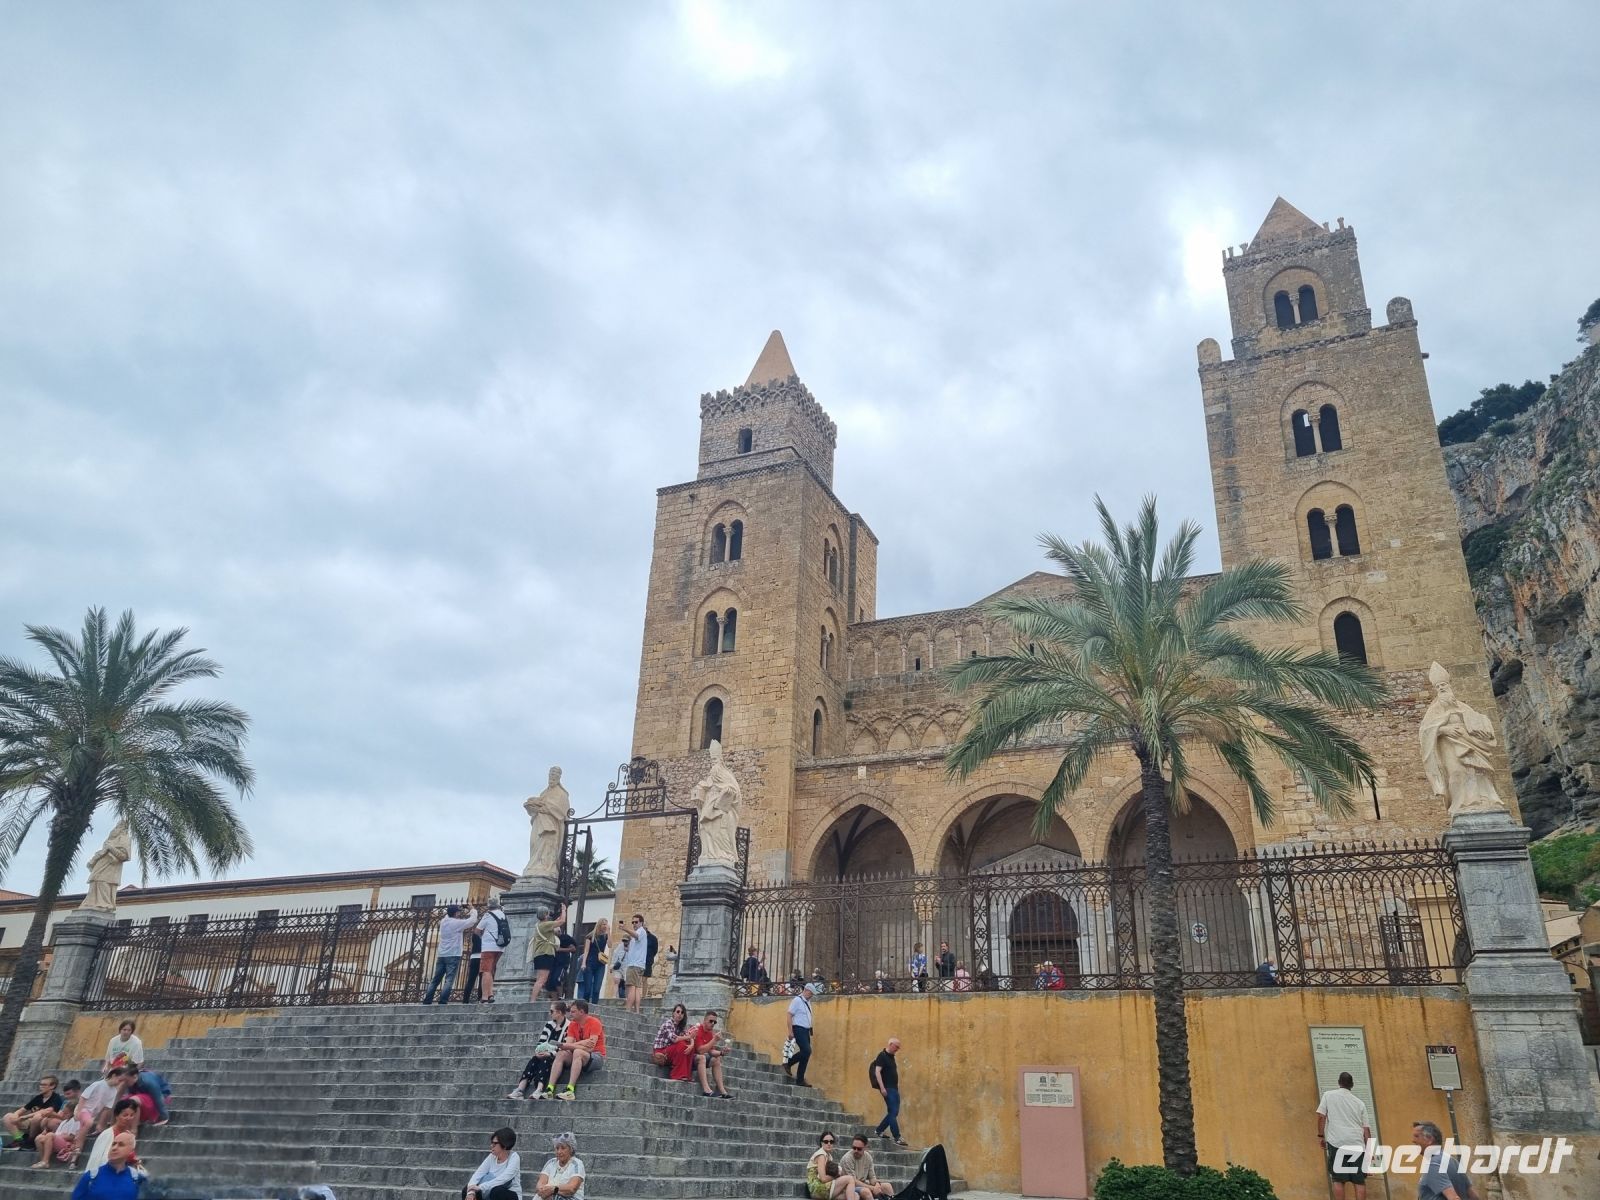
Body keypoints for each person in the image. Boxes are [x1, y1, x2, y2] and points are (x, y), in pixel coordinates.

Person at [1317, 1071, 1372, 1200]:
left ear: (1339, 1083)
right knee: (1359, 1180)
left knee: (1338, 1179)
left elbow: (1321, 1116)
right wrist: (1369, 1151)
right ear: (1352, 1085)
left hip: (1337, 1143)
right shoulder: (1360, 1103)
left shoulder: (1328, 1096)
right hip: (1357, 1144)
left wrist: (1320, 1136)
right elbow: (1366, 1130)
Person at [507, 1000, 570, 1100]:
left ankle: (539, 1089)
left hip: (557, 1055)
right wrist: (538, 1052)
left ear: (559, 1012)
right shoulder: (549, 1025)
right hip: (544, 1051)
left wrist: (550, 1054)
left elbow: (564, 1046)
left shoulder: (568, 1026)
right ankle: (520, 1089)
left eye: (551, 1011)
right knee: (534, 1059)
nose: (549, 1013)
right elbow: (541, 1041)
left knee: (546, 1060)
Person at [545, 997, 606, 1100]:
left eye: (573, 1012)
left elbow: (590, 1047)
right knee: (561, 1053)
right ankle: (549, 1089)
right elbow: (568, 1045)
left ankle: (570, 1090)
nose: (570, 1014)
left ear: (581, 1012)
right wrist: (582, 1043)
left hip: (597, 1056)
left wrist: (572, 1045)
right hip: (580, 1054)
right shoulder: (573, 1024)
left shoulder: (595, 1022)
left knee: (578, 1052)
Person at [422, 903, 478, 1005]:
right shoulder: (456, 923)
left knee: (435, 979)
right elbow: (472, 921)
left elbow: (448, 915)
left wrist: (456, 908)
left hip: (442, 955)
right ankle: (443, 1001)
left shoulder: (443, 922)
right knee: (449, 979)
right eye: (459, 912)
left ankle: (427, 1000)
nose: (460, 914)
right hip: (453, 954)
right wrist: (472, 910)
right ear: (455, 913)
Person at [1411, 1121, 1480, 1200]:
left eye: (1417, 1136)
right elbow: (1474, 1196)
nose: (1413, 1140)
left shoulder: (1433, 1165)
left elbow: (1453, 1198)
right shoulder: (1452, 1161)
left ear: (1429, 1139)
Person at [70, 1131, 146, 1200]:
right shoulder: (91, 1177)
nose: (114, 1148)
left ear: (131, 1152)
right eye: (113, 1144)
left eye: (121, 1145)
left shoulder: (137, 1179)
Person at [3, 1073, 63, 1145]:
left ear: (52, 1086)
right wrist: (15, 1115)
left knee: (37, 1117)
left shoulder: (56, 1098)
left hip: (44, 1124)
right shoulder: (38, 1098)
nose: (41, 1087)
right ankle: (19, 1139)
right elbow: (22, 1110)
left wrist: (24, 1117)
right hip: (30, 1122)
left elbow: (46, 1111)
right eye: (40, 1085)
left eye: (44, 1085)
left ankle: (30, 1141)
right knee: (8, 1117)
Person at [463, 1125, 521, 1200]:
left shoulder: (514, 1157)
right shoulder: (491, 1157)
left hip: (509, 1195)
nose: (491, 1146)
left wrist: (480, 1187)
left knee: (497, 1191)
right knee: (466, 1190)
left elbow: (504, 1179)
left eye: (495, 1143)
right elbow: (478, 1174)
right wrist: (471, 1192)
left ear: (505, 1145)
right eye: (491, 1143)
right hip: (488, 1193)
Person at [84, 1099, 142, 1172]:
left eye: (132, 1115)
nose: (128, 1118)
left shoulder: (129, 1136)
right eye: (125, 1115)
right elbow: (97, 1159)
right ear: (117, 1116)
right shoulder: (107, 1134)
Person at [871, 1038, 908, 1147]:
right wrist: (882, 1088)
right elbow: (877, 1072)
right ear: (890, 1044)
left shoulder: (891, 1057)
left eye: (898, 1047)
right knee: (893, 1111)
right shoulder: (882, 1056)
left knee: (894, 1112)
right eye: (896, 1046)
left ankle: (879, 1130)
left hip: (894, 1089)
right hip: (887, 1088)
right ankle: (897, 1137)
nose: (898, 1049)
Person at [528, 903, 568, 1003]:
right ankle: (532, 1001)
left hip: (540, 954)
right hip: (545, 953)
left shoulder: (539, 925)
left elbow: (556, 922)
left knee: (540, 979)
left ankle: (533, 999)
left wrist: (558, 918)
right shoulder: (545, 925)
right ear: (546, 914)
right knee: (542, 979)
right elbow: (562, 921)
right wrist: (564, 910)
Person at [690, 1009, 732, 1099]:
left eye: (715, 1022)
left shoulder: (709, 1033)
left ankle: (723, 1092)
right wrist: (714, 1040)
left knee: (716, 1059)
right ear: (705, 1020)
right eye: (711, 1021)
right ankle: (706, 1090)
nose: (713, 1023)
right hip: (688, 1059)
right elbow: (700, 1050)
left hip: (697, 1060)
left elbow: (711, 1051)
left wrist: (721, 1053)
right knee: (702, 1057)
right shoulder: (698, 1030)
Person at [477, 896, 511, 1003]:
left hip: (488, 947)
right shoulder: (502, 914)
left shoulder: (487, 915)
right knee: (491, 970)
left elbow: (477, 930)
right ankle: (491, 994)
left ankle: (484, 997)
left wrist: (482, 936)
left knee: (485, 971)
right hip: (500, 946)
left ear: (489, 906)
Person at [806, 1130, 859, 1200]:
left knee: (855, 1195)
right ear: (821, 1143)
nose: (829, 1144)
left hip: (824, 1187)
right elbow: (823, 1179)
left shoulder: (828, 1155)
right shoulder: (821, 1155)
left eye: (831, 1141)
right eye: (826, 1141)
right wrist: (836, 1175)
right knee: (850, 1179)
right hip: (818, 1189)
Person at [535, 1130, 585, 1200]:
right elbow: (540, 1185)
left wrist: (553, 1190)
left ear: (571, 1149)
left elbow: (572, 1189)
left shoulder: (577, 1164)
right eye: (557, 1148)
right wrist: (543, 1191)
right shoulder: (551, 1162)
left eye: (563, 1148)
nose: (559, 1151)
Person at [843, 1134, 894, 1198]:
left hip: (863, 1184)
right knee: (866, 1191)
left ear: (865, 1148)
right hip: (849, 1187)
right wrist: (873, 1188)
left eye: (859, 1149)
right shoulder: (847, 1159)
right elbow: (853, 1182)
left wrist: (877, 1184)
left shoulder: (868, 1157)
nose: (856, 1151)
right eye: (854, 1148)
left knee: (887, 1186)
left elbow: (872, 1177)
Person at [786, 981, 817, 1086]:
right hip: (798, 1029)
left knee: (806, 1054)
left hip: (806, 1031)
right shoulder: (797, 1000)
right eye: (811, 993)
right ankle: (788, 1063)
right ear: (806, 990)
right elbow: (789, 1015)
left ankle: (800, 1079)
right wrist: (790, 1031)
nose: (811, 996)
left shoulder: (808, 1002)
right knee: (807, 1050)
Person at [620, 912, 650, 1014]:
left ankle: (628, 1010)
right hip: (638, 964)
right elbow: (631, 949)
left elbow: (636, 935)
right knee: (636, 988)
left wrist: (625, 929)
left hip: (634, 964)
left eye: (636, 922)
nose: (634, 924)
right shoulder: (639, 933)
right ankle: (636, 1011)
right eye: (632, 922)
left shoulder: (641, 931)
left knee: (631, 987)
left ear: (641, 923)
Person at [577, 918, 609, 1003]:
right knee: (587, 989)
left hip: (600, 964)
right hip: (590, 963)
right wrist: (583, 963)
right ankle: (585, 1006)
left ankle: (595, 1006)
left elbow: (610, 945)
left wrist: (609, 932)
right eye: (604, 924)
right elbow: (586, 950)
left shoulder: (606, 936)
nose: (605, 926)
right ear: (599, 925)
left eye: (606, 924)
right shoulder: (590, 936)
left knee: (596, 989)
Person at [652, 1003, 691, 1072]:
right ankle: (677, 1073)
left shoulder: (680, 1027)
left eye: (682, 1012)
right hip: (660, 1051)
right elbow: (675, 1039)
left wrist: (691, 1045)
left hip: (669, 1050)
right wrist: (688, 1037)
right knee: (681, 1044)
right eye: (678, 1011)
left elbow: (689, 1037)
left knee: (688, 1046)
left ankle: (685, 1072)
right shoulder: (668, 1023)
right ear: (673, 1013)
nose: (680, 1014)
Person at [548, 926, 578, 997]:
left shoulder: (565, 938)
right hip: (552, 963)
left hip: (561, 962)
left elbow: (573, 949)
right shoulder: (551, 939)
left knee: (557, 979)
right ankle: (555, 1000)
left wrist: (559, 949)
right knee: (549, 982)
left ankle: (560, 996)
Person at [461, 927, 484, 1002]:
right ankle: (480, 998)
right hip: (482, 958)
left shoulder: (474, 936)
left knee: (471, 980)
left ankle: (465, 999)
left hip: (474, 958)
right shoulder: (486, 937)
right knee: (482, 979)